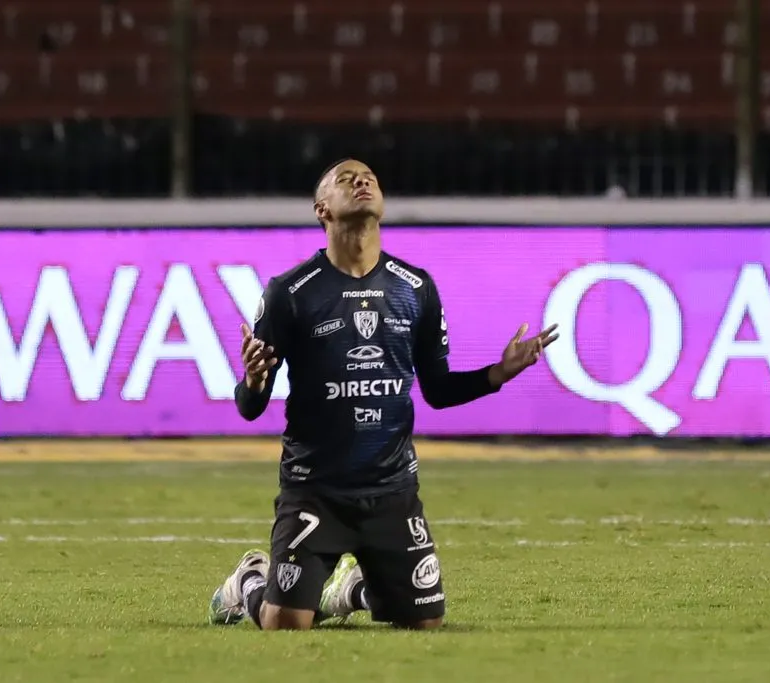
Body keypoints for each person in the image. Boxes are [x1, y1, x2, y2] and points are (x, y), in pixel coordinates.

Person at [207, 158, 559, 631]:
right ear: (322, 210)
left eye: (369, 177)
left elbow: (437, 391)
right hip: (316, 491)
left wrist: (498, 372)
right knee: (284, 624)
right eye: (345, 179)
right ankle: (247, 584)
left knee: (426, 622)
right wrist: (252, 381)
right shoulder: (290, 293)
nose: (362, 181)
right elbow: (251, 408)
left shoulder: (416, 289)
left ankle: (351, 590)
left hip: (392, 492)